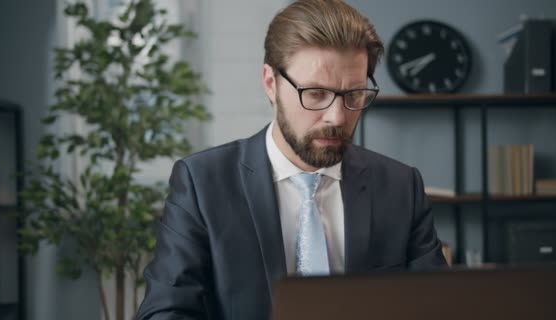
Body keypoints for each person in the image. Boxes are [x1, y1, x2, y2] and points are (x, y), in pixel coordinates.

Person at [136, 1, 447, 319]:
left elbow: (439, 307)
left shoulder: (400, 187)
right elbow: (166, 313)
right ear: (271, 83)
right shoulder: (202, 184)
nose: (336, 117)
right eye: (315, 94)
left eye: (353, 94)